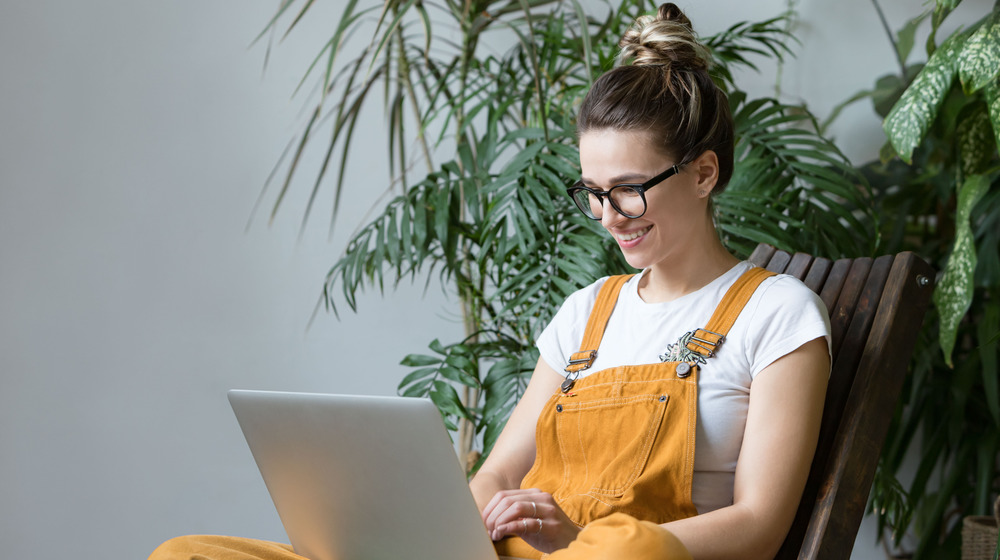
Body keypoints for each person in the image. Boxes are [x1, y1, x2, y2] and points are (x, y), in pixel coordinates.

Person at [150, 3, 830, 560]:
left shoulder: (776, 315)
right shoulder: (587, 313)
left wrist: (587, 543)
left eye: (627, 191)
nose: (607, 218)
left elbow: (760, 524)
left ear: (704, 173)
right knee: (186, 554)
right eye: (591, 193)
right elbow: (498, 475)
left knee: (627, 552)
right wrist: (456, 533)